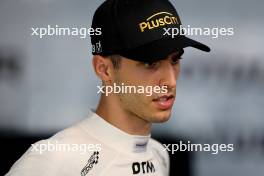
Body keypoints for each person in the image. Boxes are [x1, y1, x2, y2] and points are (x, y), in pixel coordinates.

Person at [5, 0, 210, 175]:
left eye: (175, 60)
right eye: (150, 63)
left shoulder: (159, 155)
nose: (171, 81)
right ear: (104, 69)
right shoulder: (54, 159)